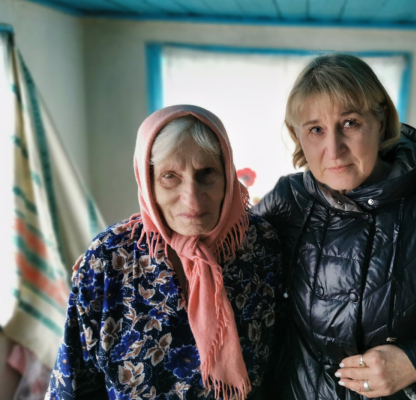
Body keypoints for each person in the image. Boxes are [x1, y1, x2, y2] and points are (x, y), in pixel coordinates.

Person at [254, 53, 416, 400]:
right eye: (316, 129)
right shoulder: (288, 200)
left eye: (350, 123)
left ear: (381, 119)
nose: (334, 150)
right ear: (297, 135)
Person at [46, 105, 283, 400]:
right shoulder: (109, 260)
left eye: (207, 173)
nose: (192, 198)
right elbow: (73, 382)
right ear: (148, 183)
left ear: (227, 175)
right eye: (170, 176)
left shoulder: (260, 245)